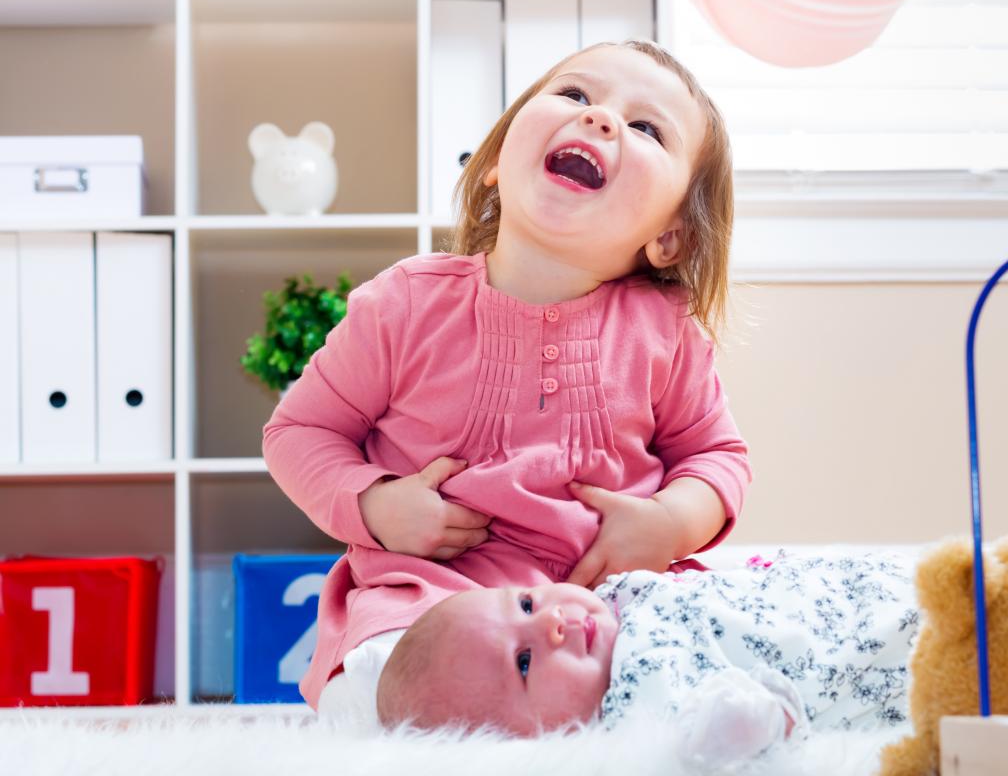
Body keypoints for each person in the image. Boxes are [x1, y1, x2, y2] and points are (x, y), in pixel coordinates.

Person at [262, 39, 752, 725]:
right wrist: (376, 505)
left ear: (669, 236)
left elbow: (717, 458)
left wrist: (670, 525)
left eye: (646, 128)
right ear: (495, 163)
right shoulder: (405, 303)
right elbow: (299, 431)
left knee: (727, 635)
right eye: (575, 95)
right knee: (387, 671)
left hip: (608, 599)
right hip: (432, 591)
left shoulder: (665, 330)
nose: (600, 119)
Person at [375, 550, 920, 767]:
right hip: (879, 648)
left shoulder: (618, 597)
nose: (551, 622)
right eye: (523, 662)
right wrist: (751, 721)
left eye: (526, 604)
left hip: (855, 583)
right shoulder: (641, 701)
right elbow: (734, 727)